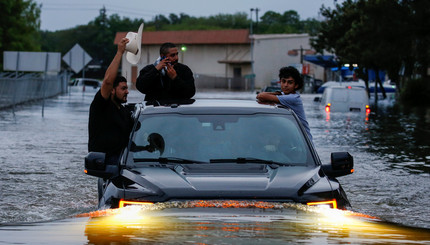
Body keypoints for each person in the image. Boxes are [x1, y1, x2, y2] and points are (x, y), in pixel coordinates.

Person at [88, 37, 134, 164]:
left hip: (125, 162)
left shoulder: (125, 112)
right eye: (123, 89)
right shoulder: (101, 106)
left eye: (127, 88)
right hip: (106, 163)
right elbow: (108, 81)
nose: (127, 92)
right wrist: (119, 53)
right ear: (112, 91)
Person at [256, 66, 312, 141]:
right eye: (283, 81)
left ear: (296, 85)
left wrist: (277, 93)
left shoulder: (293, 98)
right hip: (292, 137)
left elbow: (260, 96)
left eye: (290, 82)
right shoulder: (284, 95)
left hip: (303, 141)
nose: (285, 85)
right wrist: (278, 93)